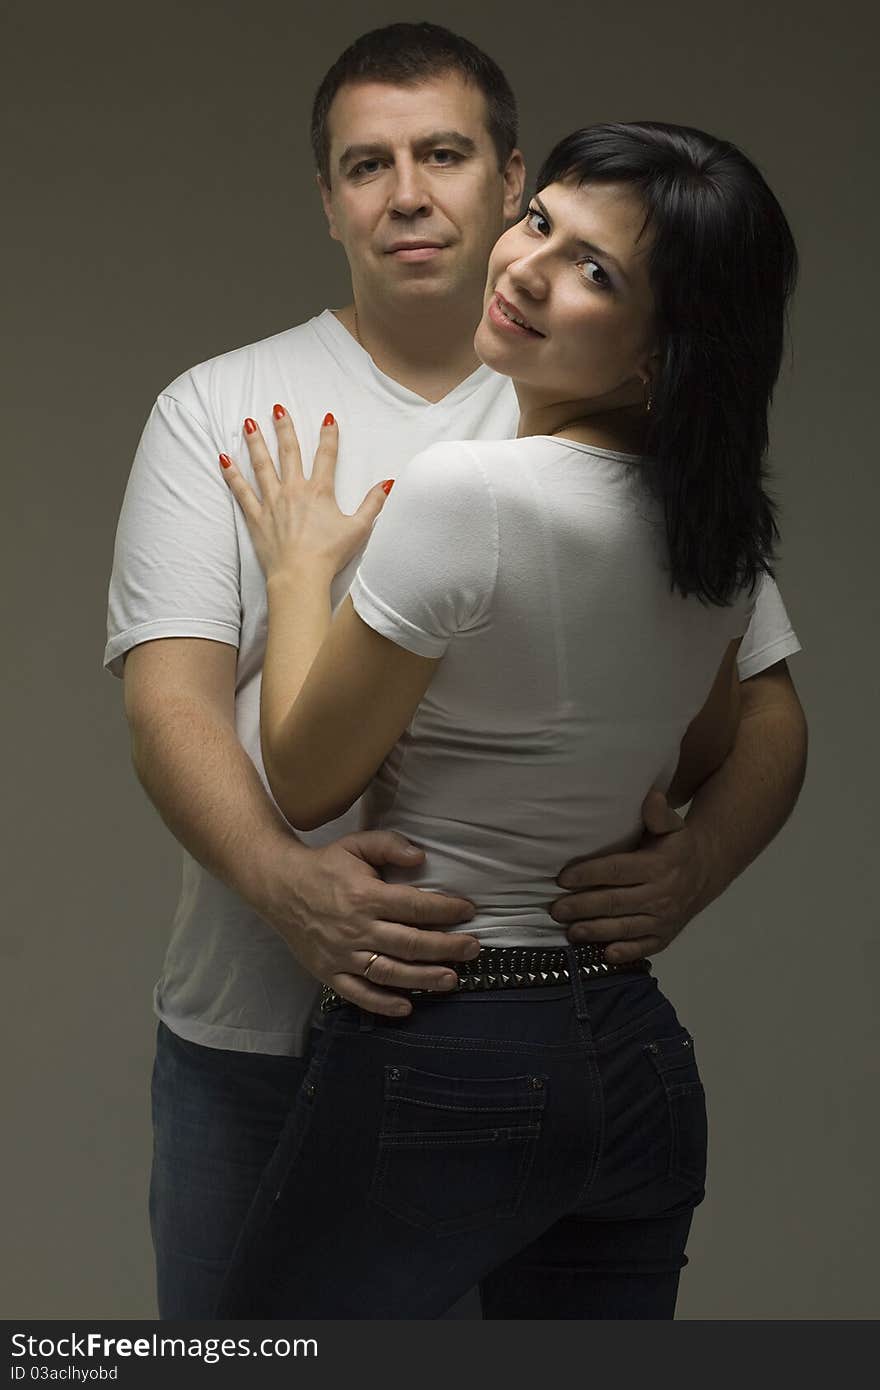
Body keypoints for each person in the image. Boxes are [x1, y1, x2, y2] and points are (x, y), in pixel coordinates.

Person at [104, 24, 806, 1319]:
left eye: (445, 153)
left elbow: (762, 712)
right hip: (255, 1027)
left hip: (453, 1034)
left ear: (502, 167)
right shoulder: (218, 405)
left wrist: (695, 864)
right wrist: (289, 889)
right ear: (327, 199)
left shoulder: (586, 439)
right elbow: (169, 702)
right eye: (367, 164)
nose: (410, 192)